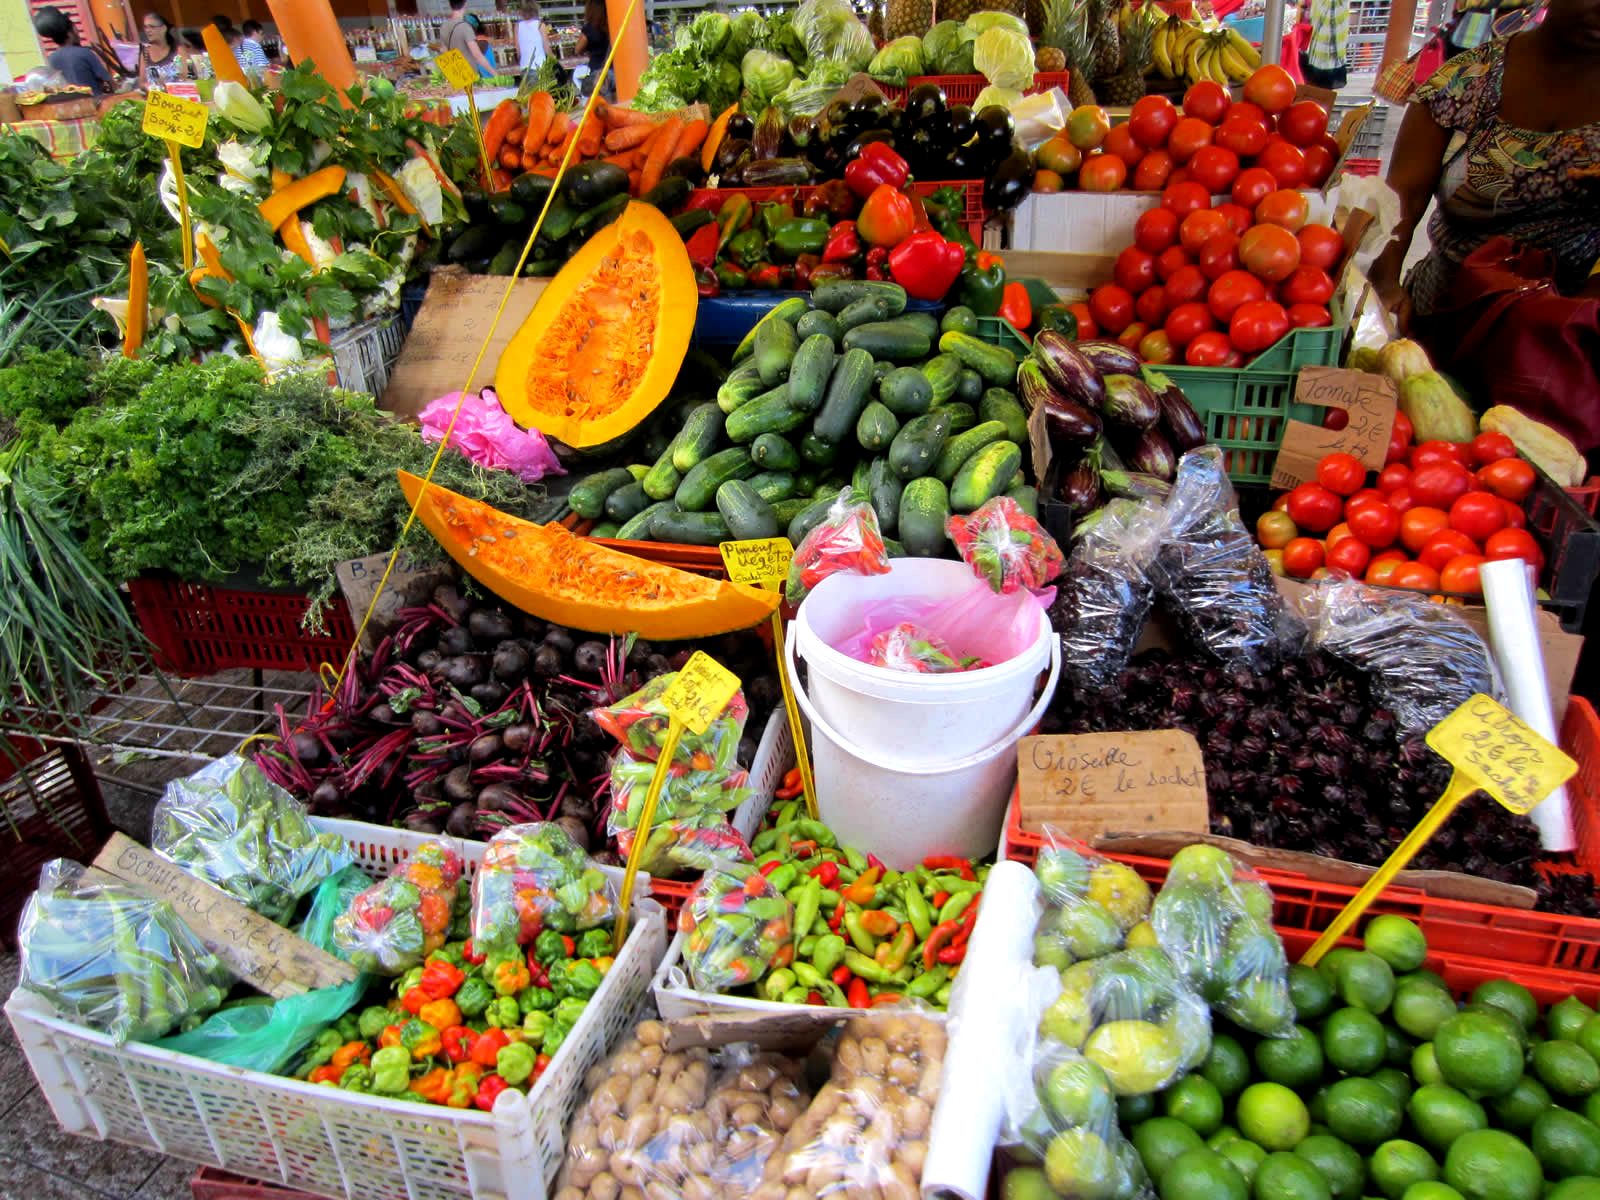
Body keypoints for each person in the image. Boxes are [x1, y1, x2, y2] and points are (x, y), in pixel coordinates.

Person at [1369, 0, 1600, 334]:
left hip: (1565, 337)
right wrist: (1386, 285)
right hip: (1444, 315)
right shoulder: (1467, 79)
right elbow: (1403, 195)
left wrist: (1574, 320)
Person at [33, 6, 113, 96]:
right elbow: (109, 82)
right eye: (75, 29)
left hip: (71, 106)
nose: (78, 33)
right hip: (97, 104)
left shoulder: (51, 59)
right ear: (70, 33)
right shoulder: (84, 53)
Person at [440, 0, 497, 79]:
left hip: (456, 75)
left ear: (450, 5)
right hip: (470, 74)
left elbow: (444, 51)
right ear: (465, 4)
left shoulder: (443, 26)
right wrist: (494, 74)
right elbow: (477, 54)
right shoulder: (465, 27)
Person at [138, 9, 188, 83]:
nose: (147, 30)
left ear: (163, 28)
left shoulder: (178, 50)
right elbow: (142, 82)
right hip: (155, 93)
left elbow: (188, 78)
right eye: (146, 27)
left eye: (152, 27)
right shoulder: (145, 52)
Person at [575, 0, 610, 93]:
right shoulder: (612, 25)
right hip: (615, 72)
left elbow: (577, 50)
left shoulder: (589, 29)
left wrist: (588, 51)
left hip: (597, 72)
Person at [516, 1, 552, 74]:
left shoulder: (517, 26)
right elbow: (547, 48)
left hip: (524, 67)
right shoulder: (540, 25)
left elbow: (518, 51)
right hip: (540, 66)